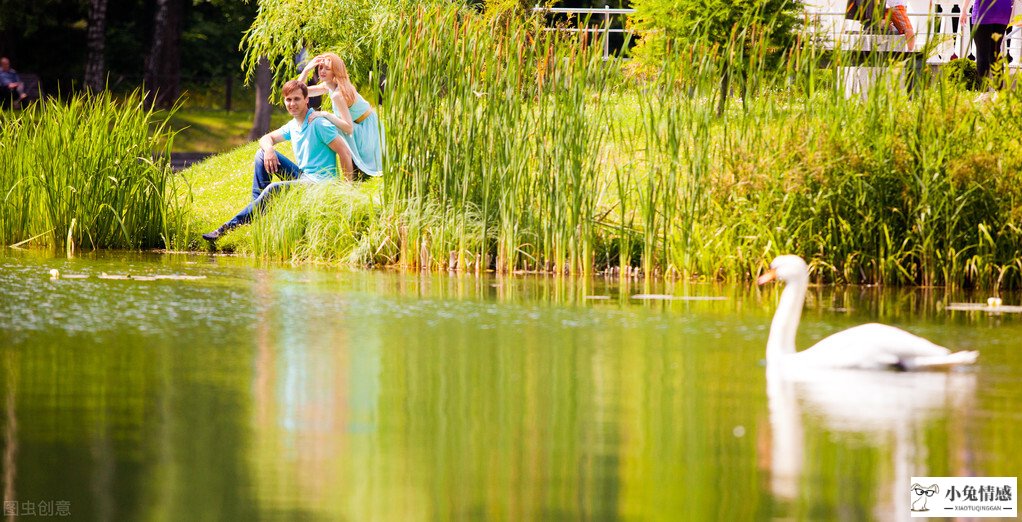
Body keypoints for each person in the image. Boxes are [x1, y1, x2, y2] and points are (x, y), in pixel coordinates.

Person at [202, 80, 354, 241]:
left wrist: (345, 189)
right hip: (303, 177)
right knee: (261, 154)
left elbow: (344, 153)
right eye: (288, 100)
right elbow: (267, 138)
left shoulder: (319, 123)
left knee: (273, 188)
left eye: (297, 99)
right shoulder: (293, 125)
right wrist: (269, 150)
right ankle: (258, 211)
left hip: (320, 185)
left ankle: (227, 228)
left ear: (306, 99)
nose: (292, 103)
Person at [297, 53, 384, 177]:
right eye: (320, 68)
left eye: (327, 68)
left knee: (325, 124)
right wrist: (306, 70)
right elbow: (298, 92)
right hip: (362, 125)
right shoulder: (328, 86)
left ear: (335, 72)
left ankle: (345, 176)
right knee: (326, 125)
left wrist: (325, 114)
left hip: (367, 130)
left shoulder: (339, 94)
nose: (322, 71)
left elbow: (349, 128)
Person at [960, 0, 1014, 87]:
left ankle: (983, 91)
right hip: (1003, 10)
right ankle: (999, 91)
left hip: (983, 9)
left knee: (982, 52)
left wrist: (963, 9)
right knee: (995, 52)